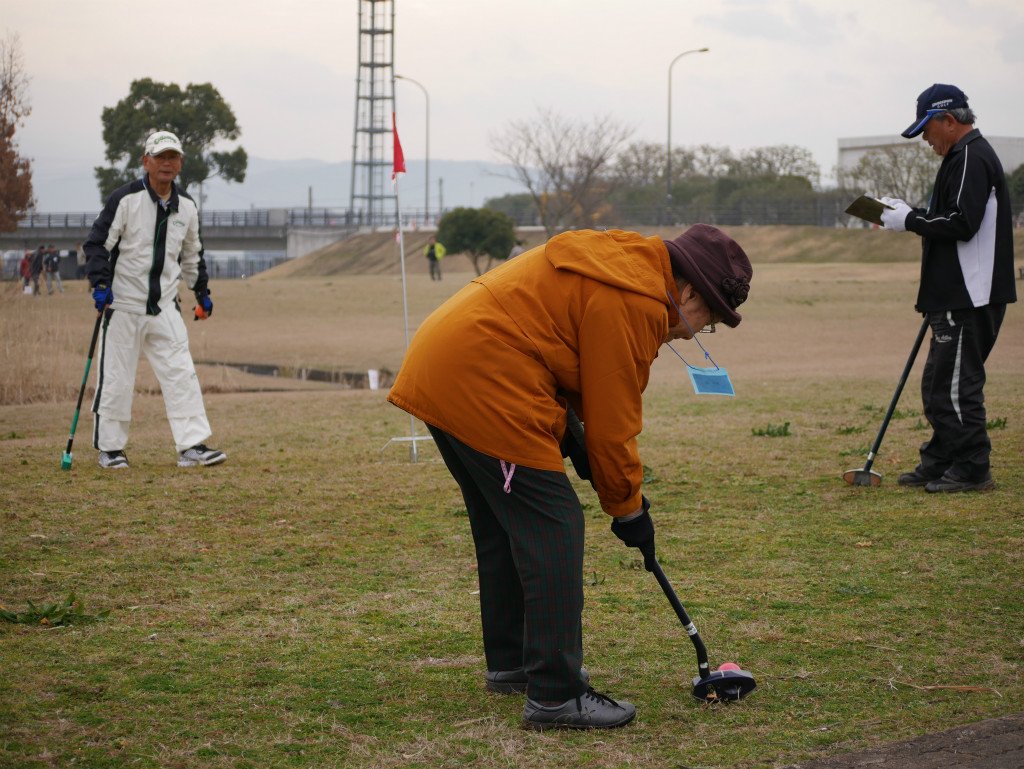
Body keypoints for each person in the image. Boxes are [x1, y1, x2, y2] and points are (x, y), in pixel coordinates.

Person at [387, 225, 752, 730]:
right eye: (706, 320)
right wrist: (629, 509)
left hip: (445, 362)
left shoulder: (622, 264)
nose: (691, 334)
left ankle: (514, 664)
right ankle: (557, 695)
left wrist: (583, 452)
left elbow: (575, 373)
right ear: (688, 292)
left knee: (507, 524)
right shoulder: (638, 299)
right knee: (555, 525)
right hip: (484, 375)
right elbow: (613, 422)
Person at [879, 84, 1016, 493]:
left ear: (950, 121)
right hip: (956, 293)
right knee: (940, 384)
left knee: (954, 386)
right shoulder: (962, 157)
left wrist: (909, 220)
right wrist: (908, 214)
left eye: (927, 129)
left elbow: (961, 223)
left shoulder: (971, 157)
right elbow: (951, 217)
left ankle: (972, 468)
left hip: (969, 294)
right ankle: (942, 459)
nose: (925, 139)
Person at [84, 130, 226, 470]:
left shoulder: (187, 206)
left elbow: (192, 255)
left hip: (164, 307)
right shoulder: (125, 199)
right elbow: (97, 244)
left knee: (182, 374)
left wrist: (202, 293)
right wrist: (100, 284)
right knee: (116, 379)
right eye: (160, 156)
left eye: (172, 157)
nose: (167, 163)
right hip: (122, 306)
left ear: (180, 163)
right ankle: (110, 450)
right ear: (146, 161)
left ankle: (192, 446)